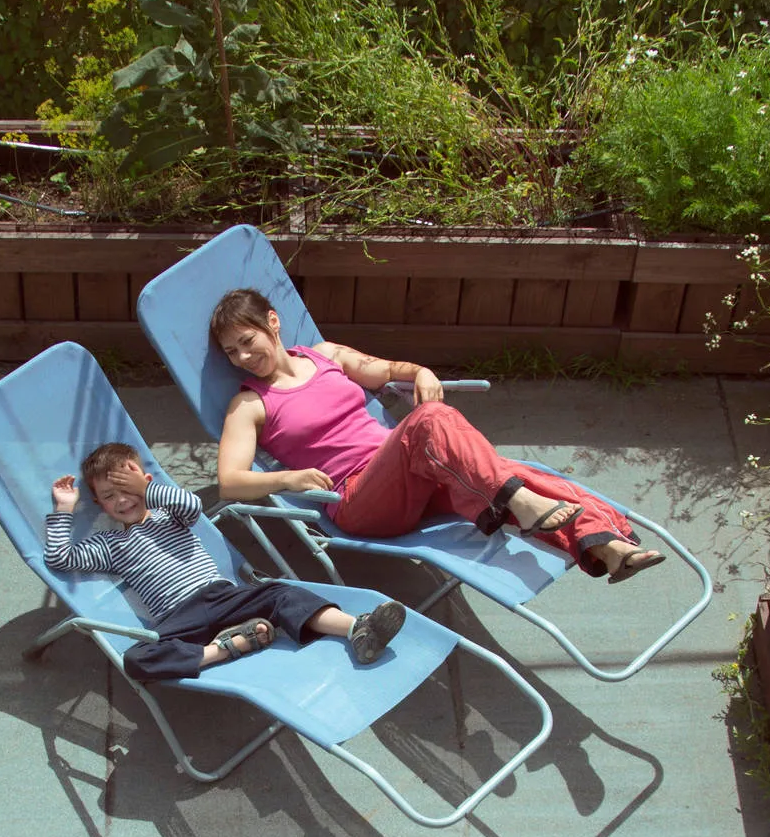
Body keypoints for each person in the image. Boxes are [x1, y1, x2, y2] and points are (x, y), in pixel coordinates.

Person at [209, 288, 667, 582]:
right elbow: (230, 480)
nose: (243, 357)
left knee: (513, 472)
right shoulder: (250, 405)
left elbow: (388, 370)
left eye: (247, 341)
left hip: (415, 471)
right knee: (432, 422)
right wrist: (287, 480)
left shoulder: (326, 356)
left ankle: (609, 548)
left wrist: (422, 370)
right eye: (231, 352)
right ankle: (521, 504)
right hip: (358, 499)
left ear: (272, 322)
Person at [44, 441, 407, 682]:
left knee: (280, 592)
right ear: (100, 506)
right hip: (177, 619)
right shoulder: (109, 544)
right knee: (137, 659)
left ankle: (357, 628)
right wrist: (64, 508)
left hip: (222, 596)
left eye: (128, 489)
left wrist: (145, 490)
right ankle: (223, 649)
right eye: (109, 496)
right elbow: (59, 557)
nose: (122, 500)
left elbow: (192, 506)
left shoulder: (169, 516)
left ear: (147, 483)